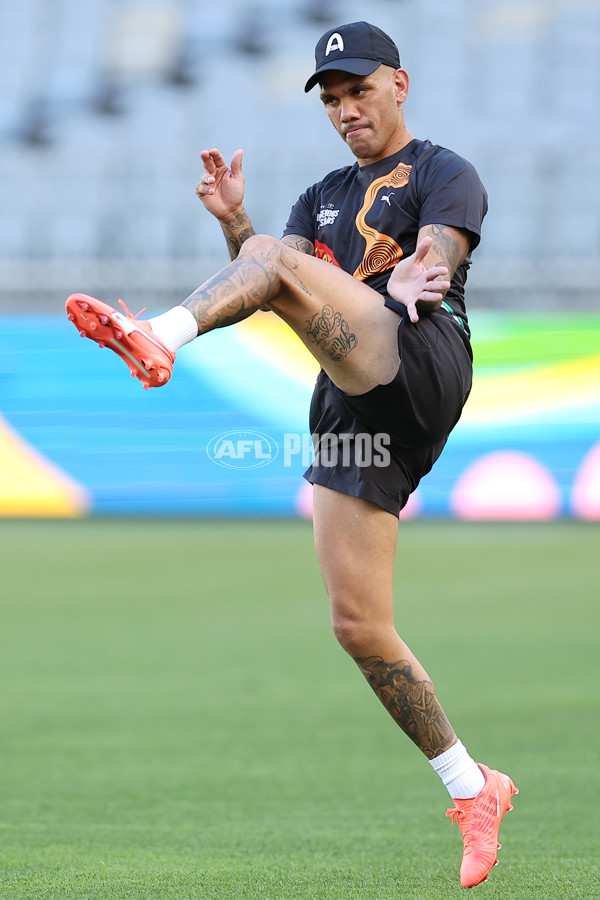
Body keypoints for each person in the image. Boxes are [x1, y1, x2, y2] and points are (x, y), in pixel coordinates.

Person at [66, 21, 517, 888]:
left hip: (419, 357)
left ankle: (154, 335)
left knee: (276, 260)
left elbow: (439, 251)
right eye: (334, 97)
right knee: (359, 627)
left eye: (360, 89)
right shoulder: (318, 196)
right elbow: (270, 283)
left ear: (400, 83)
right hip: (351, 394)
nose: (348, 108)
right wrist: (237, 223)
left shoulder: (441, 170)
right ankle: (473, 787)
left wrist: (424, 267)